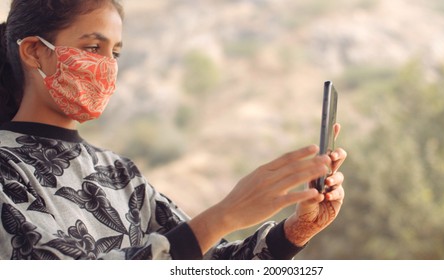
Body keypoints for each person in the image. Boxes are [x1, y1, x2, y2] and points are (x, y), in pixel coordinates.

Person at [0, 0, 347, 260]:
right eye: (93, 48)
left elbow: (200, 259)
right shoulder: (7, 168)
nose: (106, 66)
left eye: (115, 53)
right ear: (34, 51)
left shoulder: (118, 172)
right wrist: (224, 215)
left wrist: (295, 231)